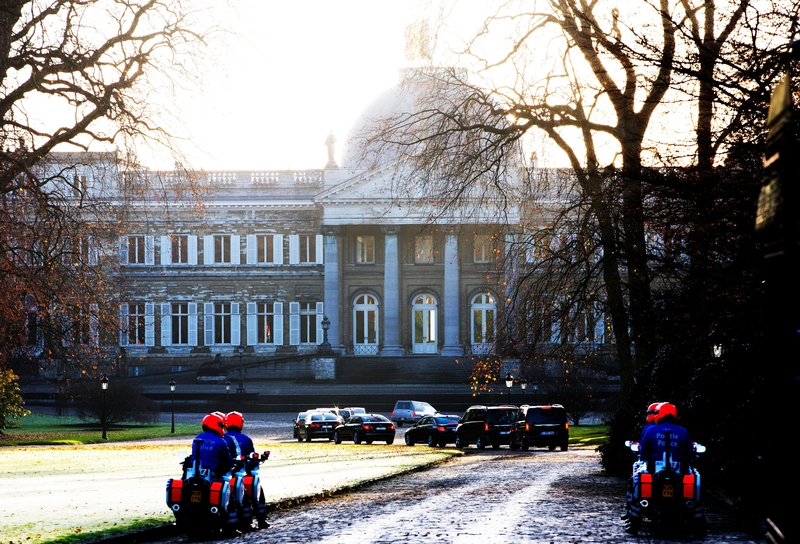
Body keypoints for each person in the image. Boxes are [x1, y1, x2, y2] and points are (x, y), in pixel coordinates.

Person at [640, 402, 693, 473]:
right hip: (679, 475)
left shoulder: (650, 430)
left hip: (653, 473)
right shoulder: (683, 431)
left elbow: (644, 454)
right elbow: (689, 454)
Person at [191, 412, 234, 479]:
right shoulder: (221, 441)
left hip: (194, 473)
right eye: (222, 426)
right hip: (213, 475)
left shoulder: (197, 438)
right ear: (217, 425)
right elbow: (227, 461)